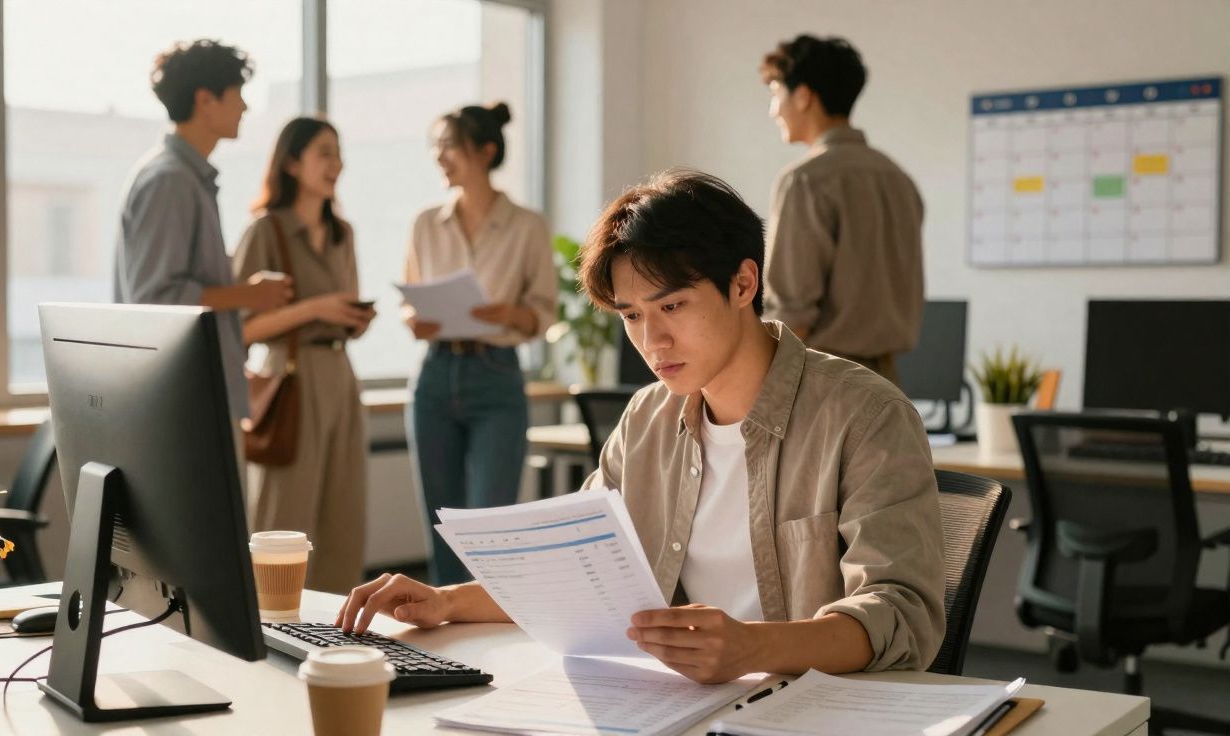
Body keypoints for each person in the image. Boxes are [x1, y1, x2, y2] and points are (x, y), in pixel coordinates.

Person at [335, 170, 945, 684]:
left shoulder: (864, 415)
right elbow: (575, 571)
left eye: (672, 306)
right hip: (672, 704)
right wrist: (444, 602)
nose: (651, 341)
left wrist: (752, 648)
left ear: (743, 283)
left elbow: (902, 614)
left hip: (809, 712)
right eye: (632, 315)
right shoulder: (648, 417)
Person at [401, 102, 557, 586]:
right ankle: (443, 636)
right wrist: (415, 320)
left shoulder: (528, 225)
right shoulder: (426, 223)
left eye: (450, 146)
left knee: (492, 526)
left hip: (497, 374)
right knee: (442, 521)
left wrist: (507, 314)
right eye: (436, 147)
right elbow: (411, 300)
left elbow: (544, 312)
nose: (440, 157)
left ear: (486, 151)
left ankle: (490, 629)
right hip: (434, 374)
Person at [114, 39, 292, 424]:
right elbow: (155, 298)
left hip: (193, 396)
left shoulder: (186, 178)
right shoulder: (170, 180)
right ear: (206, 99)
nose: (244, 106)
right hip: (183, 405)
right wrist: (249, 294)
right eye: (237, 94)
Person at [232, 117, 374, 594]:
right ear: (292, 162)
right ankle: (265, 624)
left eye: (338, 152)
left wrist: (350, 318)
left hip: (339, 373)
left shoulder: (344, 233)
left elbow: (342, 306)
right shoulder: (264, 232)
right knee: (281, 516)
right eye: (324, 153)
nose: (337, 164)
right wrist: (314, 308)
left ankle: (332, 630)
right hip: (286, 378)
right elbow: (240, 327)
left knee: (342, 518)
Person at [759, 35, 924, 385]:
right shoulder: (898, 179)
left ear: (804, 95)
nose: (773, 110)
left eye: (776, 94)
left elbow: (792, 316)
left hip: (821, 382)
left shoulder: (805, 180)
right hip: (887, 383)